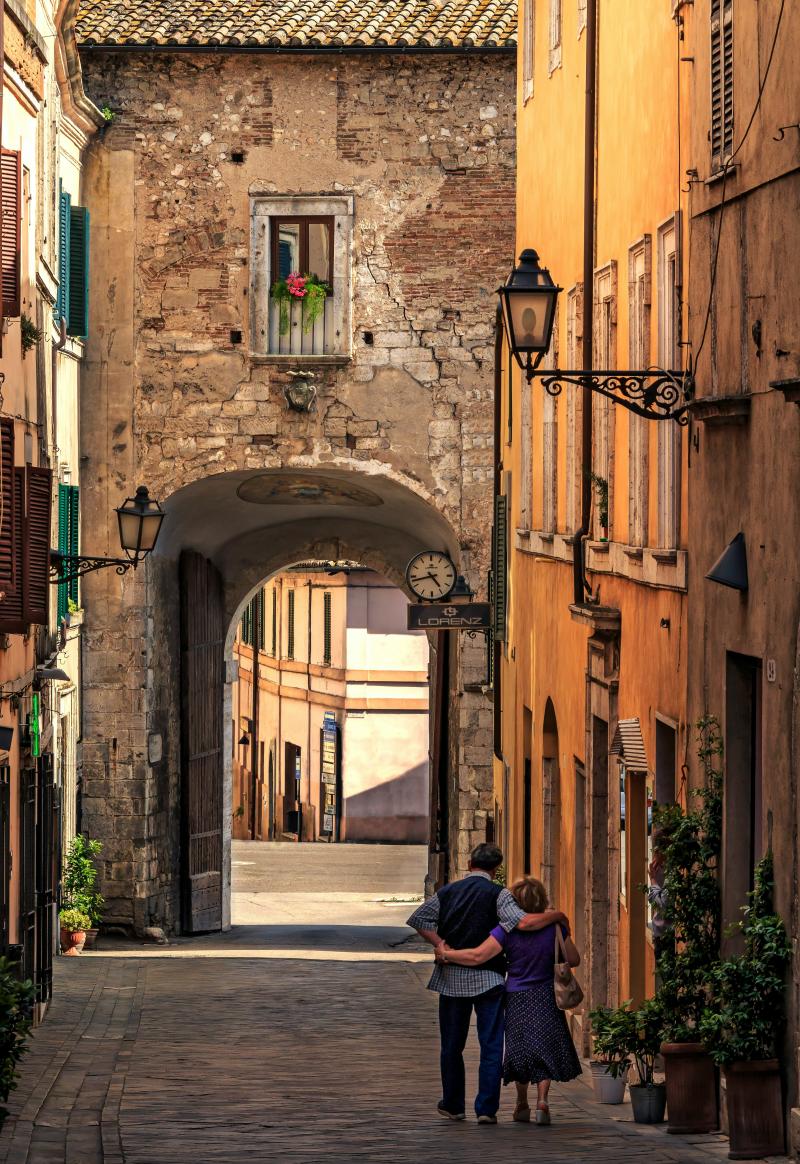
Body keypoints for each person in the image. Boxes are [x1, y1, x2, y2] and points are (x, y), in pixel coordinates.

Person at [406, 844, 568, 1125]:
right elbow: (525, 923)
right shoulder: (499, 894)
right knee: (491, 1047)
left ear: (469, 864)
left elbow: (418, 919)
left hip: (451, 980)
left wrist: (440, 944)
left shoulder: (447, 892)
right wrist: (556, 916)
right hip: (489, 980)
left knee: (451, 1046)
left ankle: (454, 1104)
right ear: (495, 869)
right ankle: (486, 1109)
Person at [437, 876, 582, 1126]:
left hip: (516, 996)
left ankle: (521, 1103)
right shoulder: (556, 928)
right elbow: (574, 958)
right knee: (544, 1046)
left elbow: (477, 955)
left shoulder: (505, 929)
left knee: (521, 1049)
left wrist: (447, 954)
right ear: (543, 900)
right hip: (546, 994)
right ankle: (542, 1102)